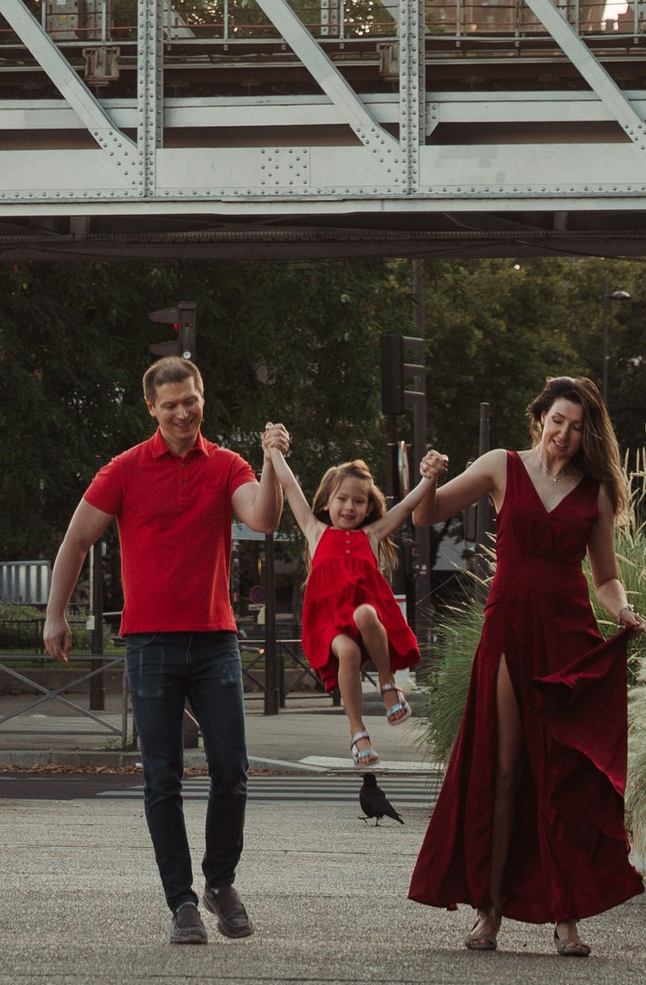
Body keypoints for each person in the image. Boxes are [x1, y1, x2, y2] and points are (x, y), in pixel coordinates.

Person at [43, 357, 291, 944]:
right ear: (152, 408)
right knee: (163, 777)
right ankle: (180, 901)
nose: (183, 412)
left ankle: (219, 882)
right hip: (150, 641)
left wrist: (272, 462)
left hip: (214, 640)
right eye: (171, 404)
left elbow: (262, 517)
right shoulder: (124, 470)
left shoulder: (227, 465)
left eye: (192, 401)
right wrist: (55, 613)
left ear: (203, 399)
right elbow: (77, 539)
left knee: (231, 767)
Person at [407, 375, 646, 956]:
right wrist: (427, 479)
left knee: (561, 776)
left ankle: (566, 918)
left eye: (577, 427)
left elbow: (606, 576)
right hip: (509, 630)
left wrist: (623, 609)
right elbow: (427, 515)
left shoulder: (596, 492)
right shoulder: (499, 466)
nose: (564, 434)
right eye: (557, 420)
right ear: (539, 416)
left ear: (588, 435)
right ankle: (489, 913)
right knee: (507, 768)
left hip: (568, 637)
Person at [267, 449, 440, 767]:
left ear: (369, 507)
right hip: (328, 622)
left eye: (359, 502)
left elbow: (407, 506)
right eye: (342, 499)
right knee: (347, 652)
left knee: (363, 613)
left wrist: (431, 476)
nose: (349, 507)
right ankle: (357, 731)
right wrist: (274, 451)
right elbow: (290, 487)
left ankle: (388, 684)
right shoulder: (316, 532)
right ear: (326, 503)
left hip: (367, 616)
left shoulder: (371, 535)